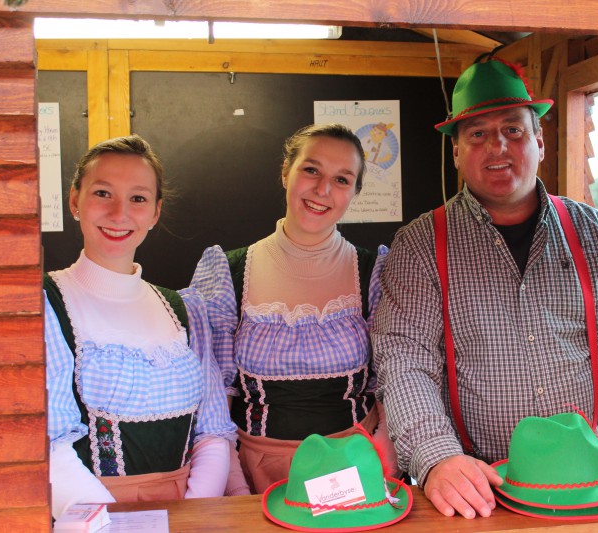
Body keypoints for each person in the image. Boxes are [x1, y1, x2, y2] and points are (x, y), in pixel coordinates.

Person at [372, 57, 598, 519]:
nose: (497, 146)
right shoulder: (420, 247)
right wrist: (436, 455)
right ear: (456, 152)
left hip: (588, 481)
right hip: (475, 490)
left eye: (513, 130)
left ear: (539, 140)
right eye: (477, 134)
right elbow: (404, 361)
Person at [44, 135, 243, 520]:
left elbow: (213, 433)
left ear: (155, 212)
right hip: (89, 518)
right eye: (103, 193)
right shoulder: (48, 303)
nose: (119, 213)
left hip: (187, 514)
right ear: (74, 201)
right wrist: (107, 525)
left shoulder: (185, 310)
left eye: (137, 198)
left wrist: (189, 517)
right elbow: (50, 446)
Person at [189, 123, 394, 494]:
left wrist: (382, 458)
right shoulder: (228, 272)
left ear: (354, 192)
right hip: (256, 472)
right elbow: (212, 395)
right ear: (286, 172)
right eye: (311, 170)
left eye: (342, 179)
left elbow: (394, 378)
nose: (323, 189)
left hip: (356, 466)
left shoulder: (375, 272)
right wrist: (233, 482)